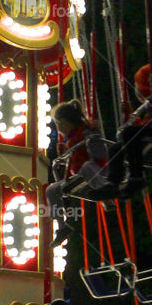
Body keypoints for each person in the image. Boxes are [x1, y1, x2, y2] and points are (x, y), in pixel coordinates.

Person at [45, 100, 109, 245]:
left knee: (87, 166)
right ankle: (62, 227)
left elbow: (100, 153)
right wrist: (65, 153)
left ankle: (106, 195)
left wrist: (93, 137)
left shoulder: (86, 132)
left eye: (60, 126)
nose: (60, 130)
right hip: (79, 176)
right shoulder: (71, 139)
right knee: (51, 190)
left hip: (97, 171)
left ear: (66, 123)